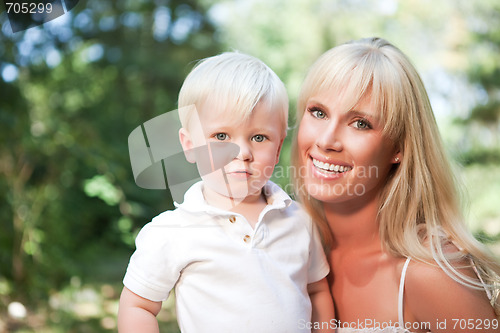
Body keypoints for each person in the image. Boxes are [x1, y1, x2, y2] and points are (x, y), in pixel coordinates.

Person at [292, 37, 500, 332]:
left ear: (398, 147)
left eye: (360, 123)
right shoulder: (287, 249)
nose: (325, 141)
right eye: (318, 112)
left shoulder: (430, 273)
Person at [118, 52, 335, 333]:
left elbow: (317, 291)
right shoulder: (171, 231)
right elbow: (138, 306)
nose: (242, 152)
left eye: (259, 137)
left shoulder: (300, 221)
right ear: (189, 145)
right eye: (221, 137)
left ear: (279, 146)